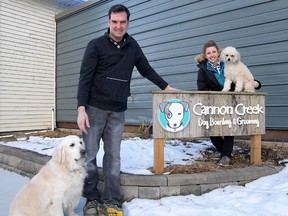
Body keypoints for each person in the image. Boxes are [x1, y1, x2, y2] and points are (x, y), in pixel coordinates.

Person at [77, 4, 177, 216]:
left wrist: (166, 87)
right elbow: (85, 77)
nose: (118, 26)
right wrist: (81, 109)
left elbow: (146, 69)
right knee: (90, 156)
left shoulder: (133, 46)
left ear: (128, 23)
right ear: (108, 22)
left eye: (122, 22)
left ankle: (112, 200)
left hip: (117, 111)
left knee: (114, 157)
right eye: (114, 22)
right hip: (94, 109)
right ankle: (92, 199)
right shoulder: (95, 45)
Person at [195, 40, 261, 166]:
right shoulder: (203, 70)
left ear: (218, 52)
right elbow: (202, 89)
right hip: (214, 103)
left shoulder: (229, 62)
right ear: (205, 55)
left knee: (229, 128)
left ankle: (226, 155)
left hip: (231, 101)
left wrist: (256, 83)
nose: (212, 55)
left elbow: (244, 75)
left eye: (214, 52)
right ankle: (221, 150)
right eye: (209, 53)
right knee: (210, 128)